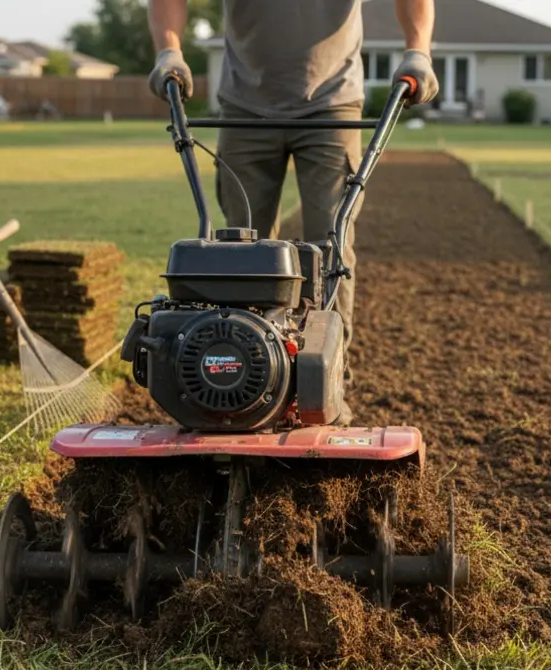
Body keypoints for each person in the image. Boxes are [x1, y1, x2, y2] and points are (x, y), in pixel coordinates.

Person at [147, 0, 439, 423]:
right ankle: (240, 379)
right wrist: (168, 50)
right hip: (244, 105)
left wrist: (418, 51)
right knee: (237, 253)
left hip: (332, 104)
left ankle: (326, 384)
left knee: (330, 251)